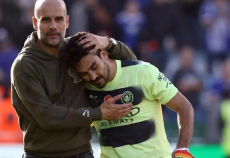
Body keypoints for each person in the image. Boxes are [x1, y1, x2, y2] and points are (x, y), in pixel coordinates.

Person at [11, 0, 137, 157]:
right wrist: (98, 113)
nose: (53, 26)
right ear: (35, 23)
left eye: (59, 19)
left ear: (67, 21)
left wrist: (108, 43)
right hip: (41, 154)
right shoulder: (24, 65)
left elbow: (132, 64)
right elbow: (47, 117)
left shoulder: (77, 50)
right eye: (46, 20)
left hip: (83, 152)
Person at [63, 32, 195, 158]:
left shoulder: (143, 72)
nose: (92, 76)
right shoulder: (83, 87)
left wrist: (182, 148)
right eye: (84, 73)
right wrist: (98, 114)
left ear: (104, 54)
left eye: (94, 67)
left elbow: (184, 107)